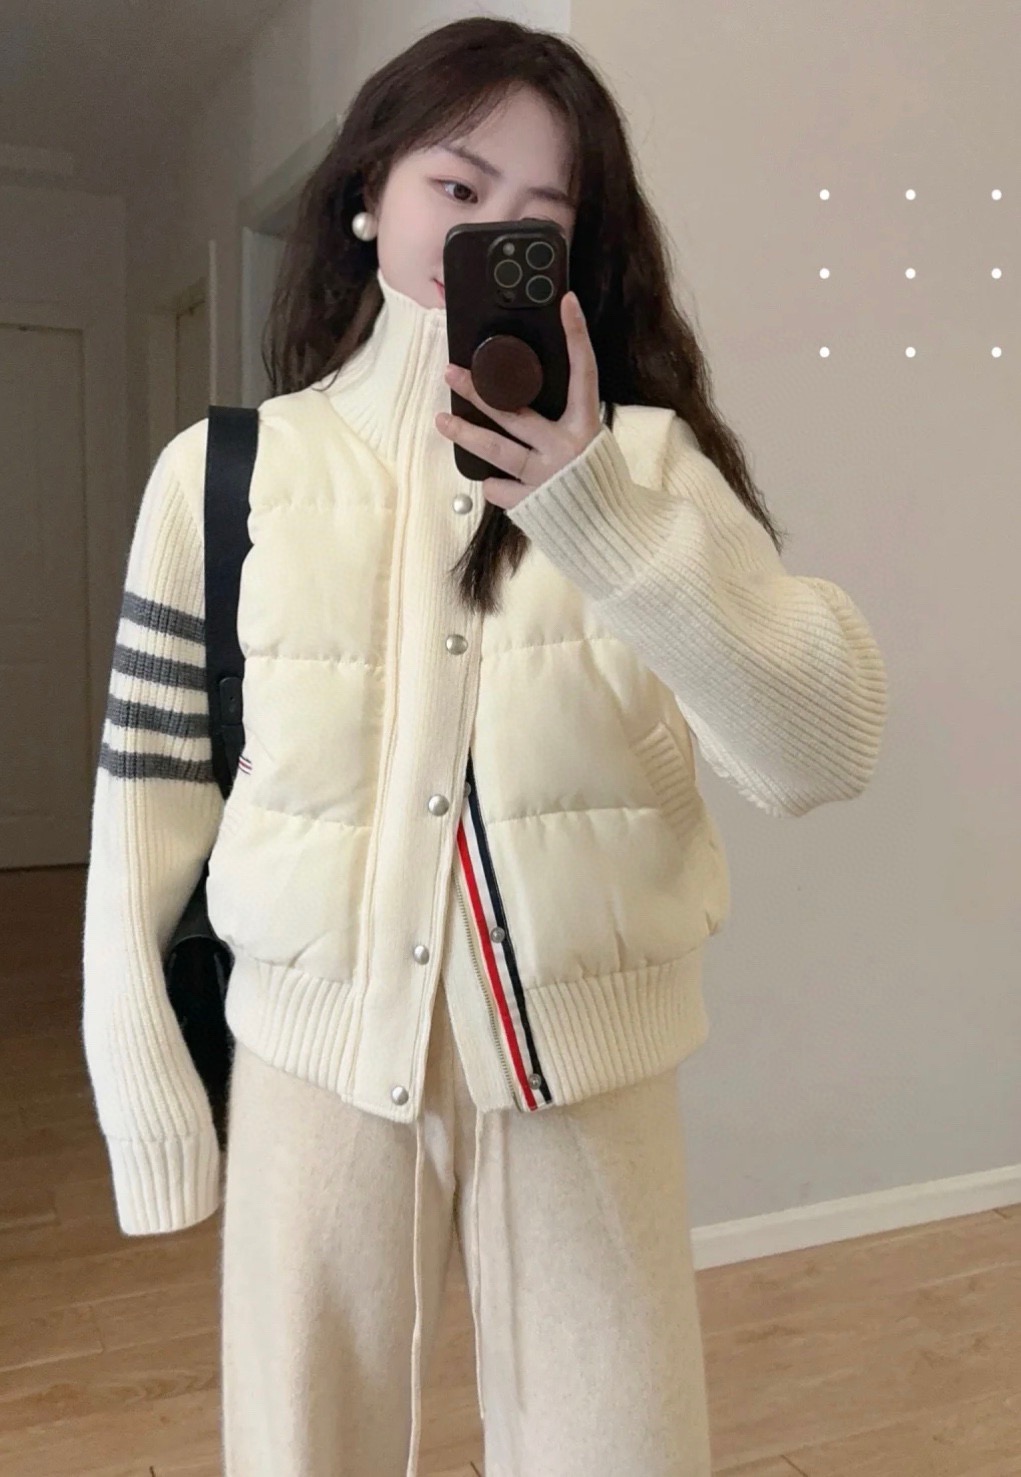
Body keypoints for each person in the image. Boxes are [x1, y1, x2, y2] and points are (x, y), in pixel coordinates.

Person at [80, 16, 889, 1477]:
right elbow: (148, 802)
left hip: (581, 1067)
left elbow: (819, 747)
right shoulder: (222, 477)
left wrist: (593, 514)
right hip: (314, 1060)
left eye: (538, 214)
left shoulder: (646, 469)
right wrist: (148, 1096)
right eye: (457, 189)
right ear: (367, 194)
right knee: (303, 1454)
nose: (487, 233)